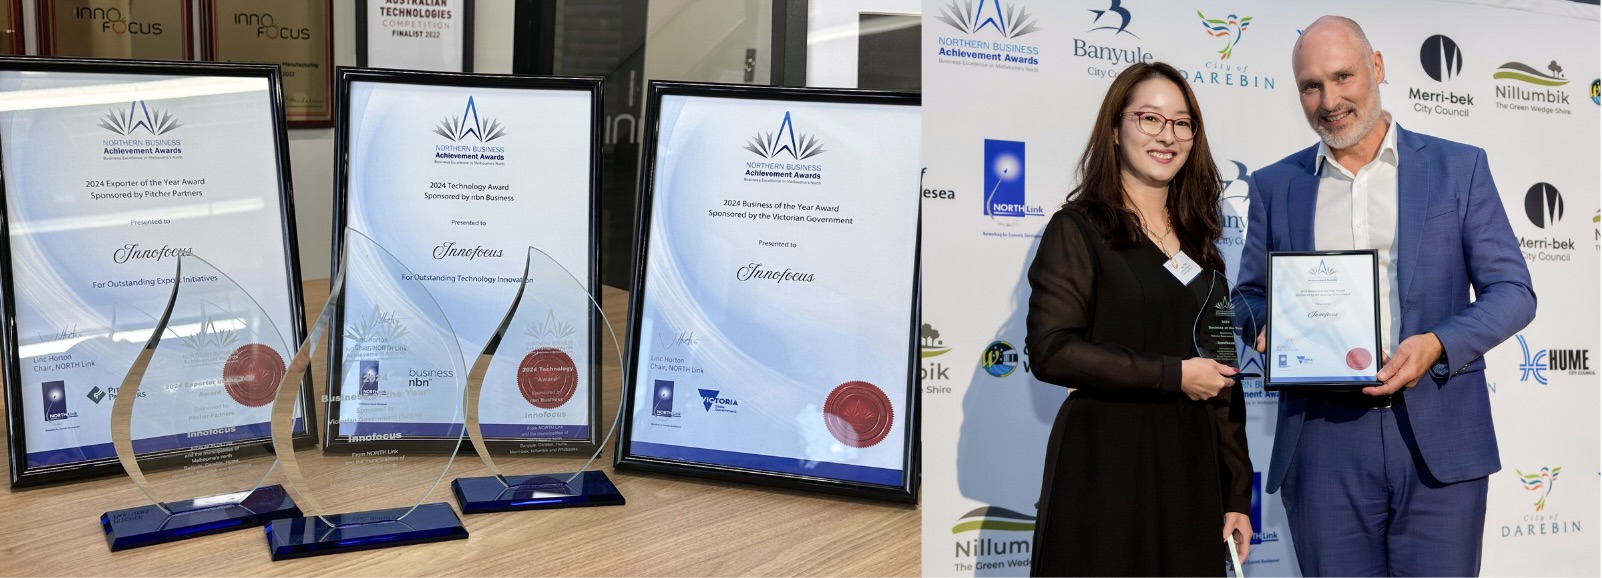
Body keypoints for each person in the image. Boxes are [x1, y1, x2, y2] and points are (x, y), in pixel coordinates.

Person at [1232, 16, 1536, 577]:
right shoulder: (1275, 185)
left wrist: (1437, 343)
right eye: (1311, 86)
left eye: (1342, 76)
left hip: (1439, 434)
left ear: (1376, 67)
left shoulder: (1458, 167)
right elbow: (1248, 295)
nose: (1329, 101)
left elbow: (1513, 291)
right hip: (1323, 441)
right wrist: (1268, 326)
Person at [1026, 61, 1251, 577]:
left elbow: (1223, 376)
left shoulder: (1202, 245)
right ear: (1114, 128)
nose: (1167, 136)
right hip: (1106, 464)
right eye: (1150, 118)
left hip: (1190, 469)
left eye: (1182, 123)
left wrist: (1237, 492)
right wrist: (1174, 374)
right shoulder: (1079, 229)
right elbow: (1052, 349)